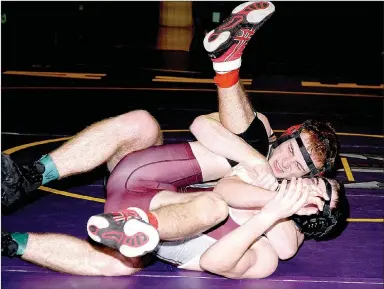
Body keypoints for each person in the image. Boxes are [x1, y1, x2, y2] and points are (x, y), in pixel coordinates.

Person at [2, 1, 346, 278]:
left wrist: (284, 203)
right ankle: (28, 176)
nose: (287, 162)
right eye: (292, 149)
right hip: (151, 181)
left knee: (115, 265)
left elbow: (283, 246)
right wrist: (256, 161)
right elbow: (202, 127)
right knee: (143, 124)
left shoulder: (277, 210)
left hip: (153, 214)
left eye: (299, 167)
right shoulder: (259, 139)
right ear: (287, 135)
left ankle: (8, 243)